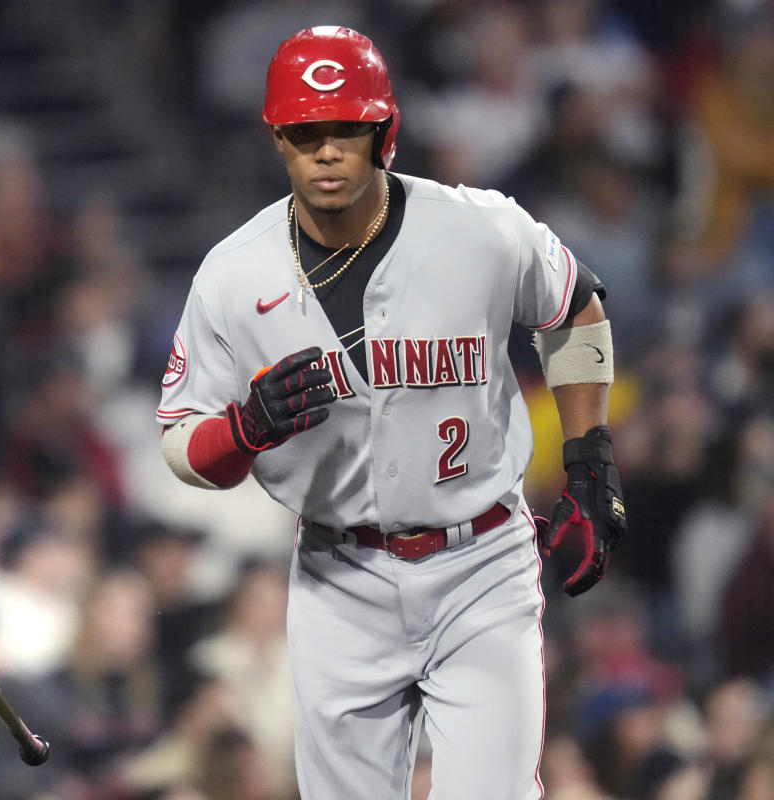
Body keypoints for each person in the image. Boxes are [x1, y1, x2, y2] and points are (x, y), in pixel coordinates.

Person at [156, 26, 626, 799]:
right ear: (278, 139)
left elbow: (574, 307)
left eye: (346, 128)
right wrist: (242, 430)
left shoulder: (480, 228)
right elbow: (179, 442)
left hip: (480, 561)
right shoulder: (233, 275)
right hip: (338, 575)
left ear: (387, 131)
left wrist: (590, 458)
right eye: (306, 132)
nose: (327, 150)